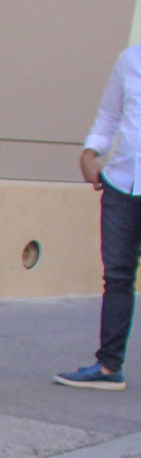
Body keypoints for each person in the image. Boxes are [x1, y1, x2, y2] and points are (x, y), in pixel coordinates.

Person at [60, 41, 141, 388]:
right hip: (123, 184)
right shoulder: (130, 59)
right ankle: (109, 367)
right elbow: (110, 114)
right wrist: (91, 152)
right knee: (118, 276)